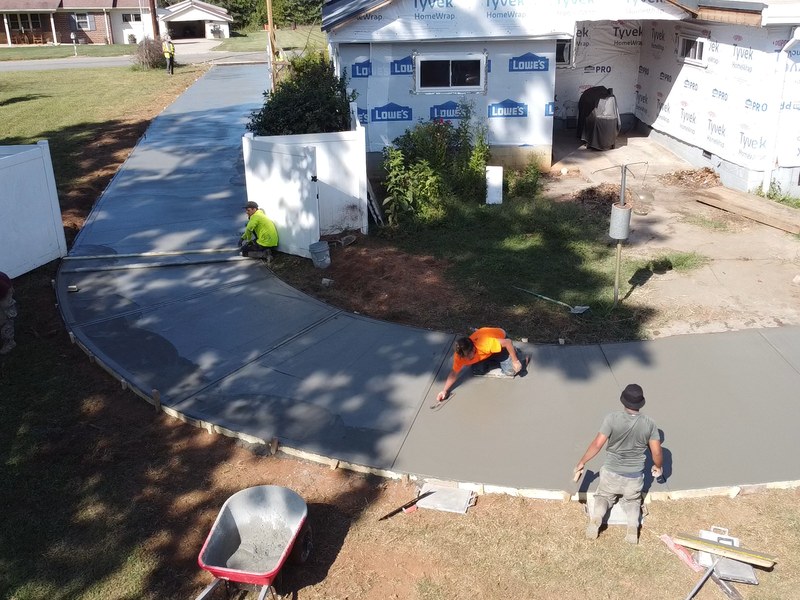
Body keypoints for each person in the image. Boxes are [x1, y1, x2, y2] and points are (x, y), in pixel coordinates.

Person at [573, 383, 663, 544]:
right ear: (641, 403)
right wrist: (658, 466)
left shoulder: (612, 419)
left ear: (623, 401)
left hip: (611, 474)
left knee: (604, 497)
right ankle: (632, 526)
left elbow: (597, 445)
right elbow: (656, 452)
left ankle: (597, 519)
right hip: (634, 477)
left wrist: (582, 462)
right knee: (632, 501)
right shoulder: (649, 423)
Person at [436, 327, 526, 402]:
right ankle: (494, 358)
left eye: (468, 356)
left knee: (511, 370)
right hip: (486, 350)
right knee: (477, 370)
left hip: (501, 339)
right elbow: (454, 373)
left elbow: (508, 342)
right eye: (464, 357)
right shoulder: (460, 356)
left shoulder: (485, 344)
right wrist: (444, 391)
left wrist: (515, 361)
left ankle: (518, 354)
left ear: (473, 349)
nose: (466, 359)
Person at [0, 271, 17, 355]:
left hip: (3, 295)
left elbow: (4, 288)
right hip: (5, 285)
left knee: (4, 320)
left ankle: (10, 342)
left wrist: (10, 287)